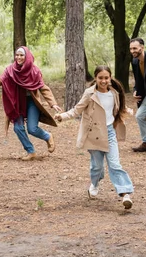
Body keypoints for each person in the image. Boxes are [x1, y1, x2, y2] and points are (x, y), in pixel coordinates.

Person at [55, 65, 134, 209]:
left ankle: (125, 194)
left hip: (110, 133)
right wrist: (62, 116)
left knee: (115, 165)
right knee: (97, 167)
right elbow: (76, 110)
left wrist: (126, 110)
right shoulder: (89, 94)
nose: (103, 81)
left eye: (106, 78)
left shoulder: (114, 93)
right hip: (94, 135)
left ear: (110, 78)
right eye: (100, 78)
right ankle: (95, 183)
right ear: (96, 78)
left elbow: (114, 110)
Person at [0, 46, 62, 160]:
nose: (19, 57)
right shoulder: (10, 70)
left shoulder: (34, 71)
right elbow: (0, 80)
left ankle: (47, 136)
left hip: (31, 102)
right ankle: (31, 151)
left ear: (27, 56)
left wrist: (53, 103)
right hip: (17, 103)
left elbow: (43, 87)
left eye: (21, 55)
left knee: (32, 129)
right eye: (17, 55)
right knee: (18, 128)